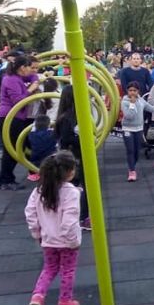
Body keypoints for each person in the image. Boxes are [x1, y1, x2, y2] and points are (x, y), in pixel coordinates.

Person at [25, 151, 82, 305]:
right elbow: (69, 221)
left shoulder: (40, 190)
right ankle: (65, 303)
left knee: (49, 269)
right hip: (66, 242)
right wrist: (73, 241)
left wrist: (37, 233)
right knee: (68, 271)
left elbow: (30, 212)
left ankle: (37, 296)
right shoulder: (70, 192)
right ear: (70, 172)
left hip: (48, 240)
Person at [0, 55, 39, 190]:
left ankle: (3, 179)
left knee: (14, 149)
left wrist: (35, 80)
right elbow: (18, 101)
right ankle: (5, 180)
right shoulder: (11, 80)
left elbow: (33, 77)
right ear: (22, 68)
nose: (32, 70)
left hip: (15, 118)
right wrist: (31, 89)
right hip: (9, 118)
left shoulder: (17, 77)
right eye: (29, 67)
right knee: (12, 150)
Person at [54, 85, 91, 231]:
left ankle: (80, 217)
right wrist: (85, 139)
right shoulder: (68, 118)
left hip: (75, 155)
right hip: (75, 156)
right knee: (81, 188)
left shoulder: (69, 115)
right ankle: (82, 218)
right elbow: (66, 138)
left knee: (78, 187)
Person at [120, 81, 154, 182]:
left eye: (134, 90)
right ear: (127, 91)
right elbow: (129, 116)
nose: (132, 93)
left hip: (139, 129)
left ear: (138, 91)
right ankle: (132, 171)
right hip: (127, 129)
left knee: (137, 151)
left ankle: (132, 166)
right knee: (130, 150)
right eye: (130, 90)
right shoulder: (124, 102)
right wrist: (132, 104)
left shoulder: (141, 101)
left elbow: (151, 108)